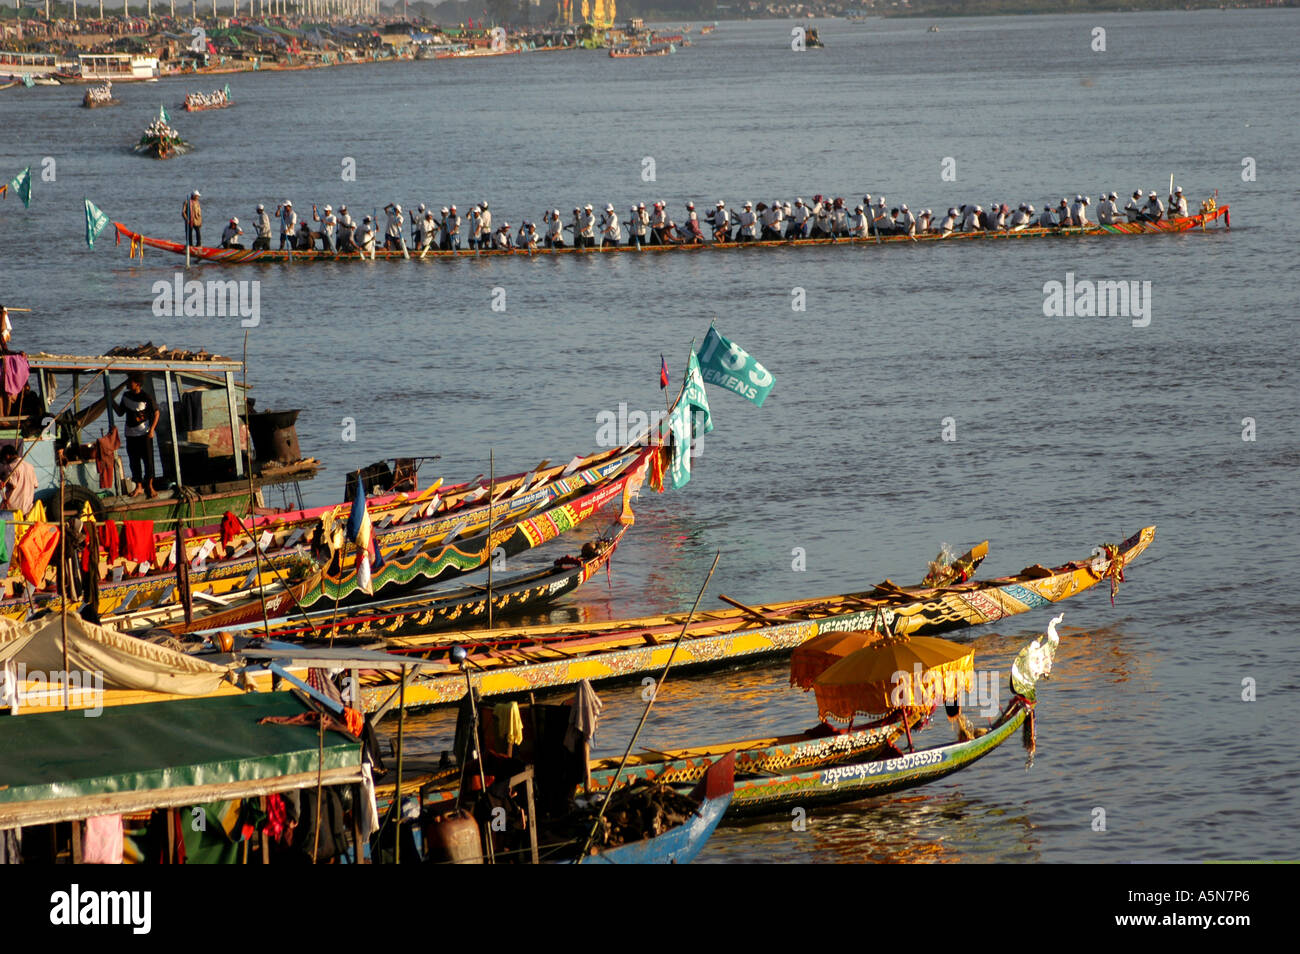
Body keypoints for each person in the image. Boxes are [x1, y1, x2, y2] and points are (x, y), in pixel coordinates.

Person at [114, 372, 160, 498]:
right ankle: (139, 486)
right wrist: (110, 400)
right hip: (130, 434)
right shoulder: (125, 396)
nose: (128, 383)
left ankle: (150, 486)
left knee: (148, 461)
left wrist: (152, 430)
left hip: (144, 434)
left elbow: (156, 413)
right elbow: (120, 412)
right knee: (134, 461)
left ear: (138, 384)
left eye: (130, 382)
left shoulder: (146, 397)